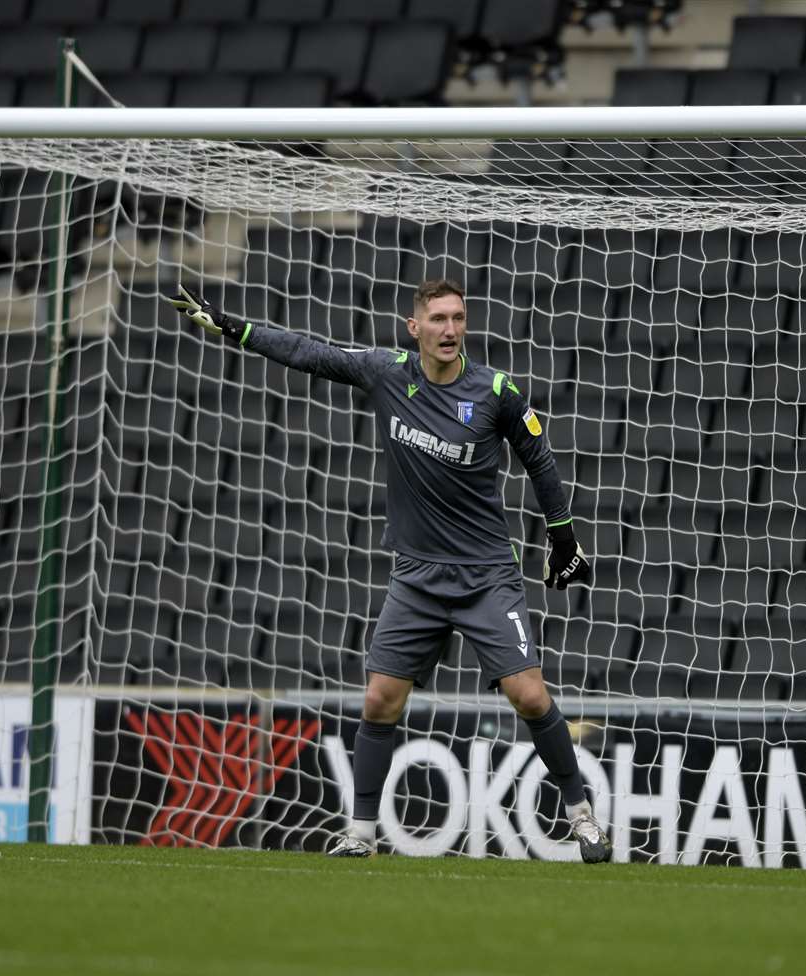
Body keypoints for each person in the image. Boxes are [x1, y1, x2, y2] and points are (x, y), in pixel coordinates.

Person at [168, 278, 607, 862]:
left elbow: (540, 459)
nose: (450, 330)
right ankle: (361, 832)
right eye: (438, 319)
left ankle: (581, 815)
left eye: (458, 318)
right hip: (418, 577)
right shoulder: (386, 373)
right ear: (415, 328)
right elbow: (312, 352)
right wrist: (237, 328)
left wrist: (562, 537)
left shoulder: (496, 391)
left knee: (528, 695)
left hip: (485, 576)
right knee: (378, 701)